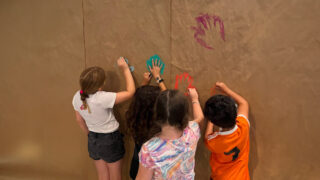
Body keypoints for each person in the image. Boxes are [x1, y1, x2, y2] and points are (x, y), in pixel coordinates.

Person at [72, 57, 135, 180]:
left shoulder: (77, 96)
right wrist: (125, 69)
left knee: (103, 175)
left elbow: (79, 120)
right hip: (110, 139)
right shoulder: (102, 98)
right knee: (115, 176)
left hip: (93, 140)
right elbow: (131, 92)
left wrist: (90, 134)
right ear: (101, 85)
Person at [136, 88, 204, 180]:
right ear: (184, 114)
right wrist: (195, 99)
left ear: (157, 113)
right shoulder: (193, 130)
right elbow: (199, 118)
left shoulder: (149, 149)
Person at [126, 59, 166, 179]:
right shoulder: (160, 124)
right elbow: (168, 98)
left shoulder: (132, 117)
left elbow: (138, 100)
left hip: (137, 166)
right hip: (154, 170)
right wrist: (158, 77)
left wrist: (144, 82)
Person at [204, 82, 250, 180]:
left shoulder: (213, 142)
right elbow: (243, 103)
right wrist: (226, 89)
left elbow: (207, 137)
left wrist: (210, 121)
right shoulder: (243, 126)